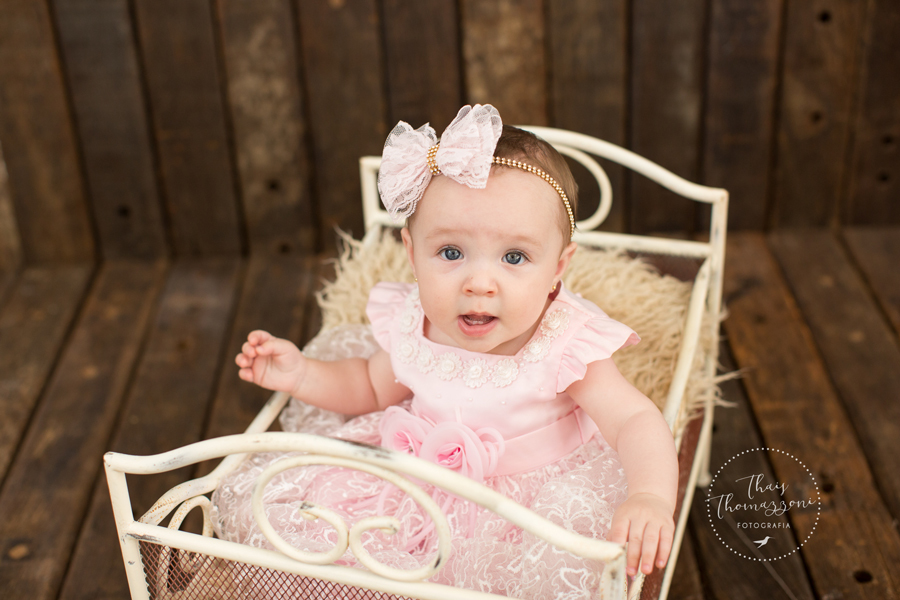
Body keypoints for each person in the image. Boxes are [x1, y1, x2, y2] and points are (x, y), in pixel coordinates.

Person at [214, 105, 677, 598]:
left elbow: (633, 419)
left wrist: (650, 496)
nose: (479, 283)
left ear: (558, 267)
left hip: (525, 505)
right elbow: (369, 386)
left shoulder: (565, 340)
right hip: (411, 484)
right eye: (451, 253)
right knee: (327, 536)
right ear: (412, 253)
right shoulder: (415, 320)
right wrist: (302, 375)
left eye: (515, 257)